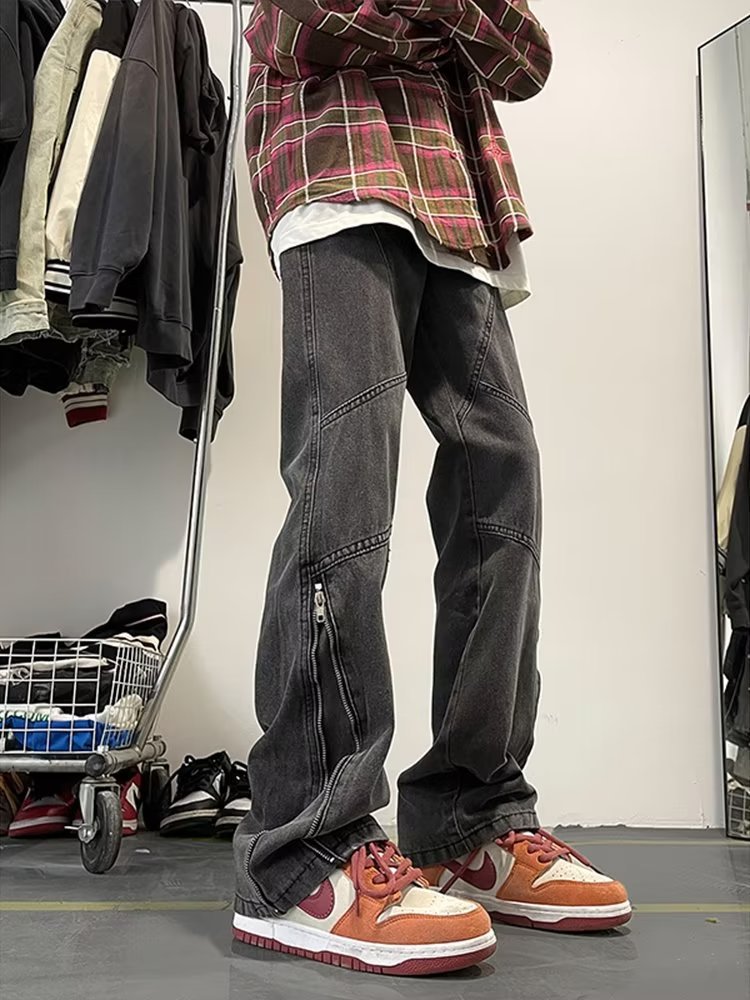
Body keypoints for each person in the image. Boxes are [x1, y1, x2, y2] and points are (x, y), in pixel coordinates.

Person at [233, 0, 631, 975]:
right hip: (336, 174)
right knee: (345, 488)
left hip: (455, 208)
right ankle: (300, 852)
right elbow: (299, 24)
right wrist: (451, 25)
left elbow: (525, 58)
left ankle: (469, 819)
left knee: (505, 481)